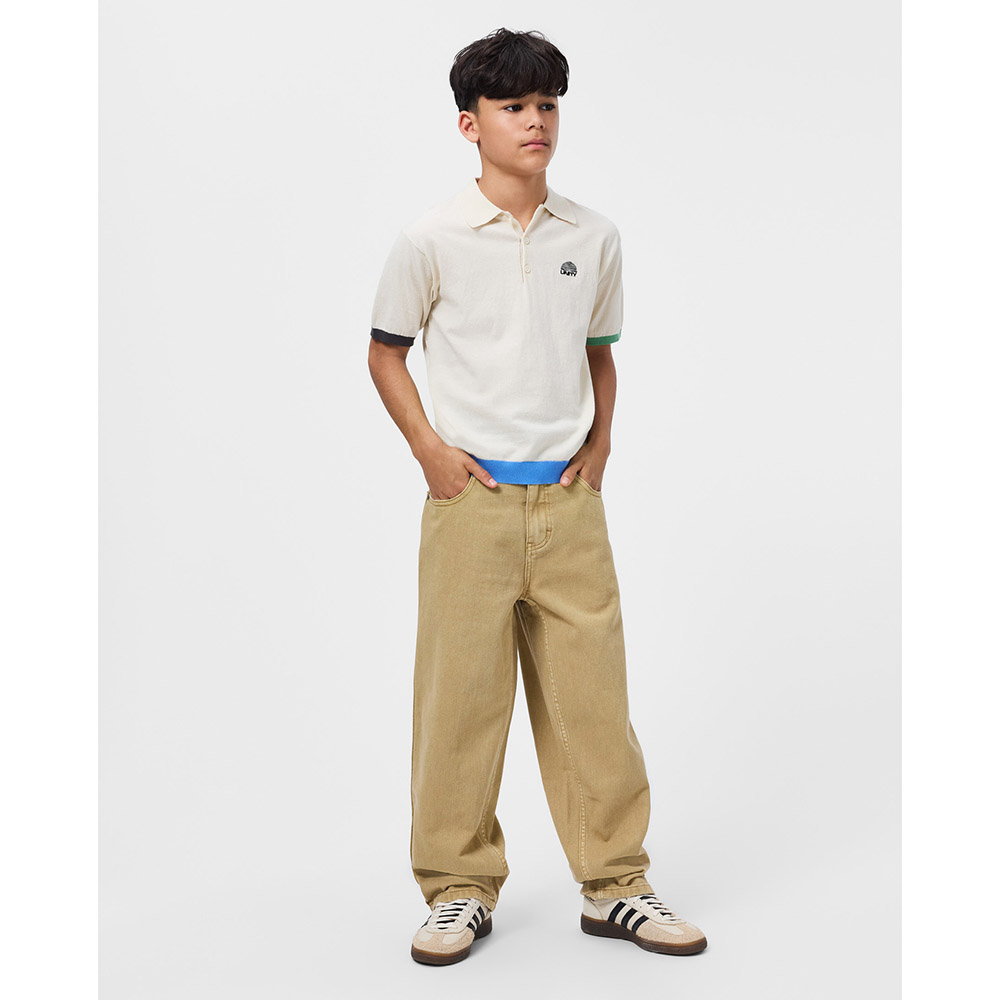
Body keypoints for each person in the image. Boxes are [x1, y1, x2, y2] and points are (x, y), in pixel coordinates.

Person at [367, 27, 708, 966]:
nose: (535, 122)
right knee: (458, 707)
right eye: (513, 106)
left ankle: (616, 884)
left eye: (547, 104)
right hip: (469, 506)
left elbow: (599, 353)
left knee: (594, 702)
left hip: (568, 506)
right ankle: (457, 889)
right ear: (469, 124)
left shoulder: (592, 237)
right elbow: (386, 353)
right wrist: (430, 452)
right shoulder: (429, 239)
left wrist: (602, 444)